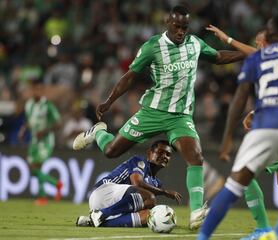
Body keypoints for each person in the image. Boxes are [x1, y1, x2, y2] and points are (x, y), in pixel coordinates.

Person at [72, 5, 247, 230]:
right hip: (152, 113)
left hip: (180, 116)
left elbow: (219, 57)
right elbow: (129, 76)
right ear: (168, 23)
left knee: (196, 157)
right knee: (111, 151)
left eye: (185, 27)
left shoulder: (195, 44)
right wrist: (109, 101)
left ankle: (196, 213)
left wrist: (246, 53)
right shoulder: (153, 46)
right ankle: (98, 132)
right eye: (177, 27)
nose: (181, 31)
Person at [198, 15, 278, 240]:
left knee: (240, 181)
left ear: (268, 39)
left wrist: (227, 136)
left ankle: (261, 229)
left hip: (268, 128)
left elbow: (240, 95)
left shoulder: (260, 58)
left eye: (260, 43)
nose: (258, 47)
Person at [76, 140, 182, 228]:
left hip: (116, 205)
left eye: (168, 154)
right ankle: (102, 214)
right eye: (160, 152)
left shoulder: (156, 183)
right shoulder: (140, 161)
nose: (164, 156)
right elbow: (138, 183)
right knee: (150, 197)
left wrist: (166, 217)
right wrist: (164, 192)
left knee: (149, 217)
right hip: (102, 193)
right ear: (149, 152)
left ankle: (94, 221)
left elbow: (147, 204)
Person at [18, 78, 63, 206]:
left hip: (46, 141)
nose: (36, 91)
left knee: (36, 166)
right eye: (34, 89)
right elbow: (28, 120)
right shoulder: (29, 105)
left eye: (39, 89)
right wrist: (22, 130)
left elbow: (58, 123)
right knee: (34, 170)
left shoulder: (47, 105)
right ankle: (55, 185)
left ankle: (43, 196)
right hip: (34, 141)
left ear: (42, 91)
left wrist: (45, 131)